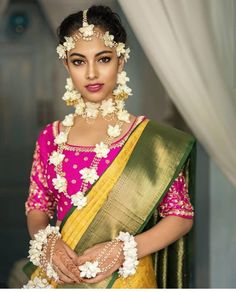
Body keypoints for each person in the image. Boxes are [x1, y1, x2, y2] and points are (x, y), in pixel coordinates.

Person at [23, 5, 196, 289]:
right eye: (79, 61)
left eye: (103, 59)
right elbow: (37, 207)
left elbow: (180, 216)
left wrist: (122, 251)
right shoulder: (51, 137)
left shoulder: (149, 139)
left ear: (121, 60)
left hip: (126, 279)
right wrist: (47, 243)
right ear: (66, 65)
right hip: (61, 277)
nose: (91, 73)